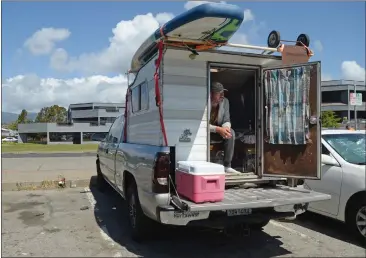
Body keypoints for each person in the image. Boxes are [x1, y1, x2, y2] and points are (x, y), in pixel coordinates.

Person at [209, 81, 241, 174]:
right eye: (219, 93)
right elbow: (202, 125)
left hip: (219, 130)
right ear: (211, 94)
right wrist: (218, 129)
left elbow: (226, 119)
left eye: (223, 92)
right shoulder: (205, 102)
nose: (222, 95)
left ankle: (227, 166)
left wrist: (226, 128)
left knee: (231, 132)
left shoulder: (225, 101)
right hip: (207, 131)